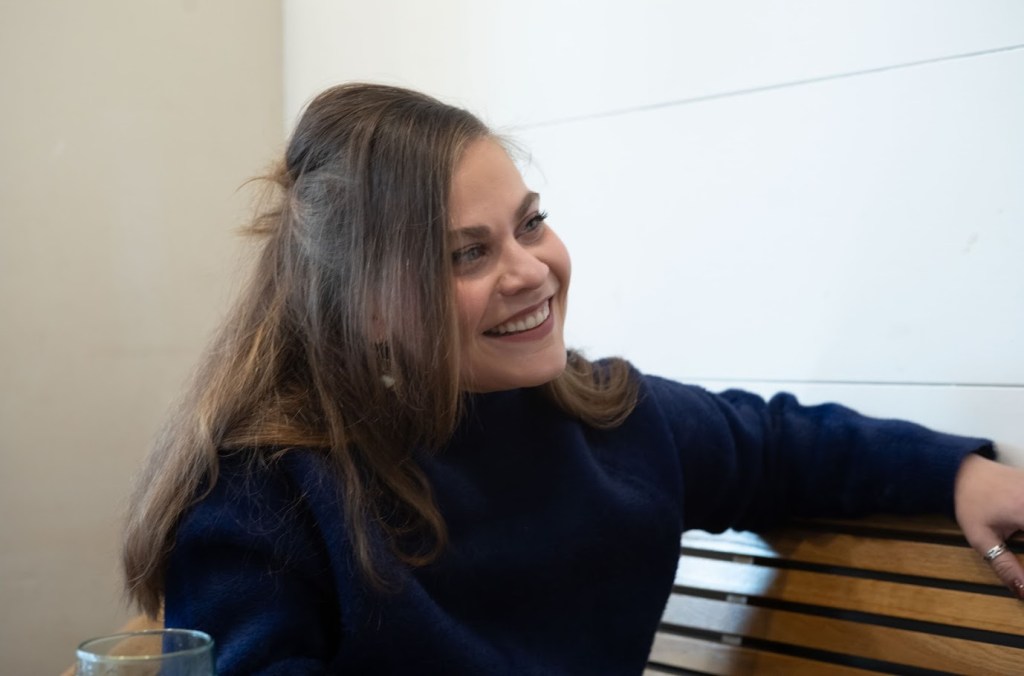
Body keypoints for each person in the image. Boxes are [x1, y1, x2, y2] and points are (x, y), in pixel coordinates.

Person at [122, 83, 1024, 675]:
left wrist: (957, 471)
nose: (531, 271)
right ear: (368, 307)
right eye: (467, 253)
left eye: (530, 224)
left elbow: (781, 445)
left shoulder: (613, 419)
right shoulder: (263, 492)